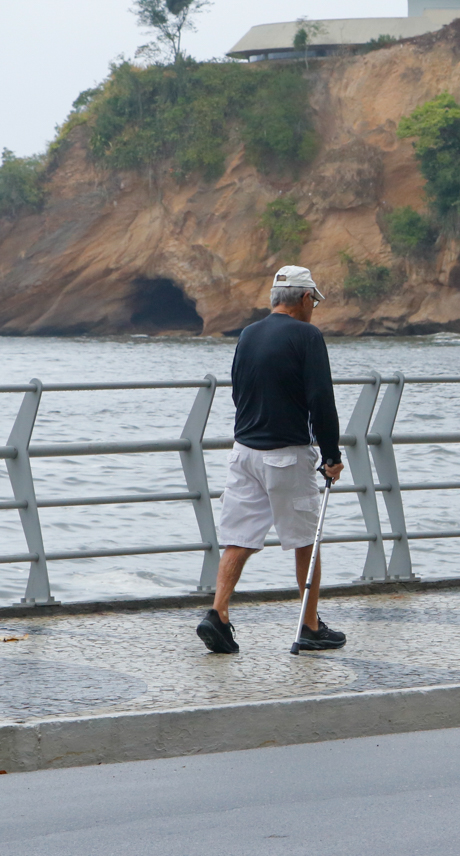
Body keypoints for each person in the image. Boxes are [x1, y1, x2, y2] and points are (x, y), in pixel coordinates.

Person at [196, 265, 347, 654]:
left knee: (239, 538)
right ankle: (310, 627)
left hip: (244, 452)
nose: (313, 307)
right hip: (287, 455)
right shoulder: (308, 335)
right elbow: (321, 400)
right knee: (305, 542)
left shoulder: (248, 334)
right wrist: (331, 455)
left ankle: (218, 613)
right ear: (302, 299)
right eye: (313, 300)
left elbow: (238, 389)